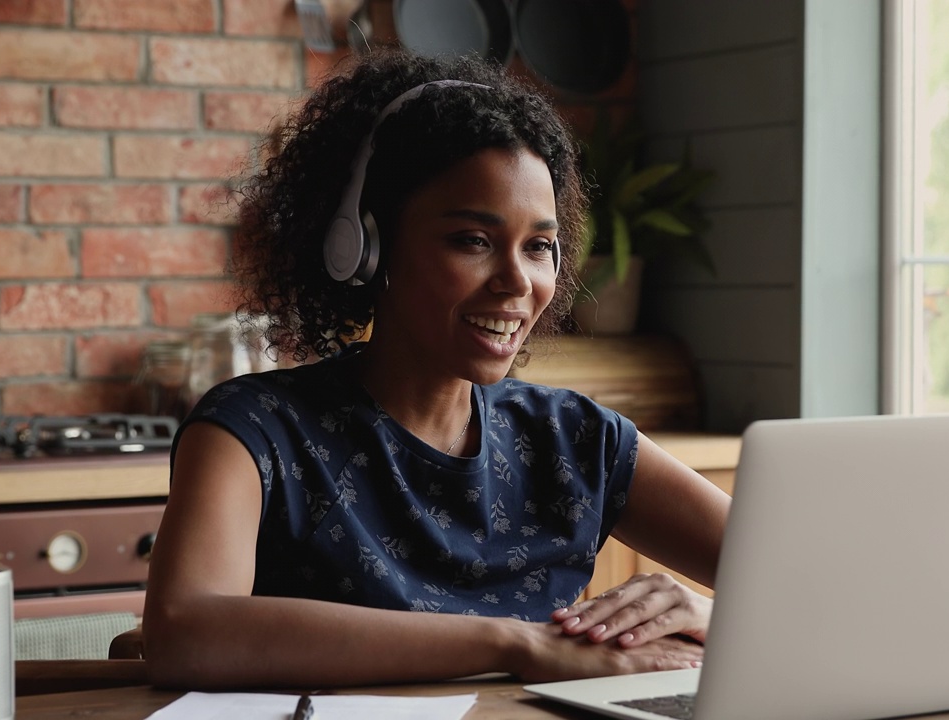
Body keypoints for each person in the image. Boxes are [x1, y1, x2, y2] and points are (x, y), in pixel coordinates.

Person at [142, 49, 731, 689]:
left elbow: (813, 581)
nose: (516, 281)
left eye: (538, 247)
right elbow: (184, 630)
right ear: (367, 247)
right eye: (472, 241)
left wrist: (706, 613)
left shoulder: (576, 440)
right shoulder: (252, 431)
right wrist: (515, 644)